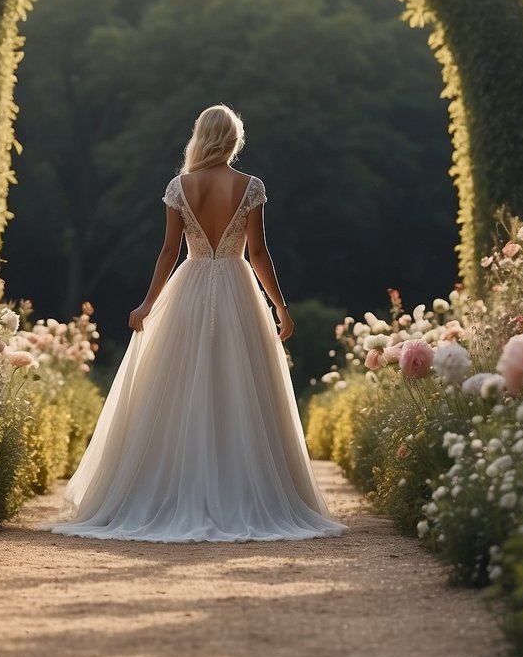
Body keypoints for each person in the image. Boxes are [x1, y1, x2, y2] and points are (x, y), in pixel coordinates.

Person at [47, 104, 347, 542]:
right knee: (240, 386)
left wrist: (148, 303)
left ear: (200, 136)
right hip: (238, 288)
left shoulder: (179, 187)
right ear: (233, 140)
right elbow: (259, 253)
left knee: (176, 386)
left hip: (187, 288)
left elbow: (168, 252)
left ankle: (171, 489)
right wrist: (280, 306)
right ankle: (240, 488)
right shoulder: (251, 186)